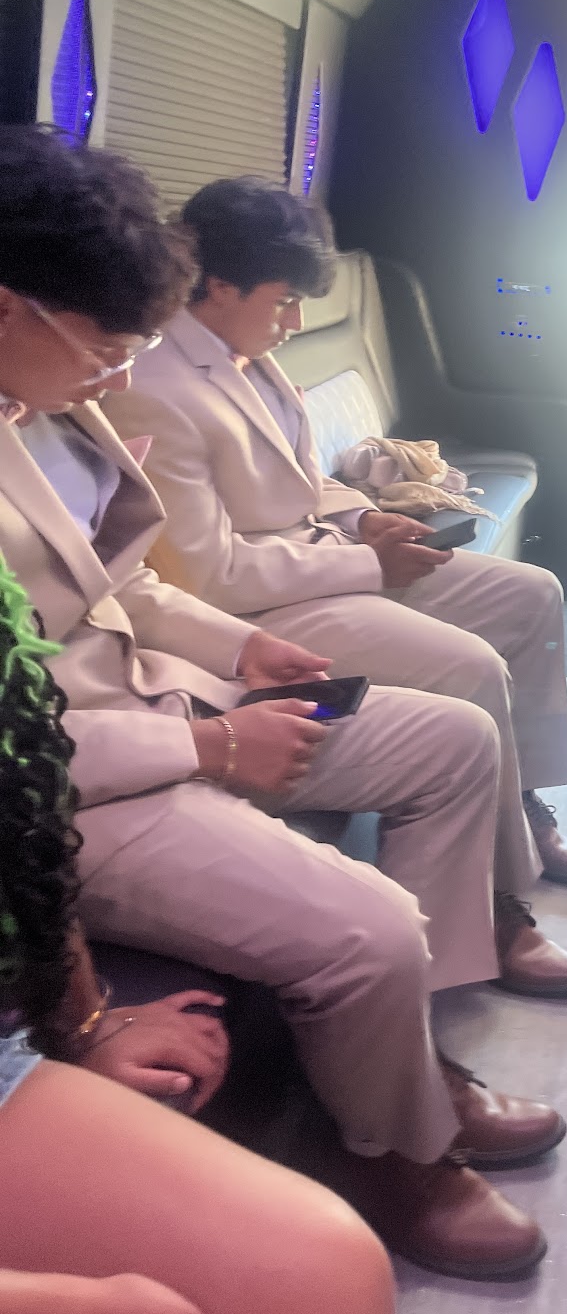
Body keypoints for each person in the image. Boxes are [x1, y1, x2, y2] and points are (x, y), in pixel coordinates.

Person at [0, 126, 561, 1280]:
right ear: (12, 307)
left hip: (167, 695)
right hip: (76, 791)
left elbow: (126, 584)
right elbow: (18, 748)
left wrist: (244, 647)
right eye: (107, 345)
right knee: (368, 927)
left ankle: (415, 1046)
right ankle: (390, 1151)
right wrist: (209, 746)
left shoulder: (49, 400)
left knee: (455, 740)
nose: (123, 374)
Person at [105, 176, 567, 904]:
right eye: (284, 299)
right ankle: (499, 897)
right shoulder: (153, 388)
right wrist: (370, 566)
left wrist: (363, 519)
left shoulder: (242, 347)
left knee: (532, 594)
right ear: (218, 285)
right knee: (471, 667)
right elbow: (207, 576)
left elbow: (302, 477)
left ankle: (523, 797)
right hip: (261, 607)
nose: (296, 319)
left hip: (323, 554)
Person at [0, 558, 396, 1314]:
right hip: (122, 750)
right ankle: (392, 1143)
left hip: (144, 708)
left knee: (326, 1272)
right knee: (370, 934)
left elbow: (18, 804)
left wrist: (81, 1018)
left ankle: (399, 1123)